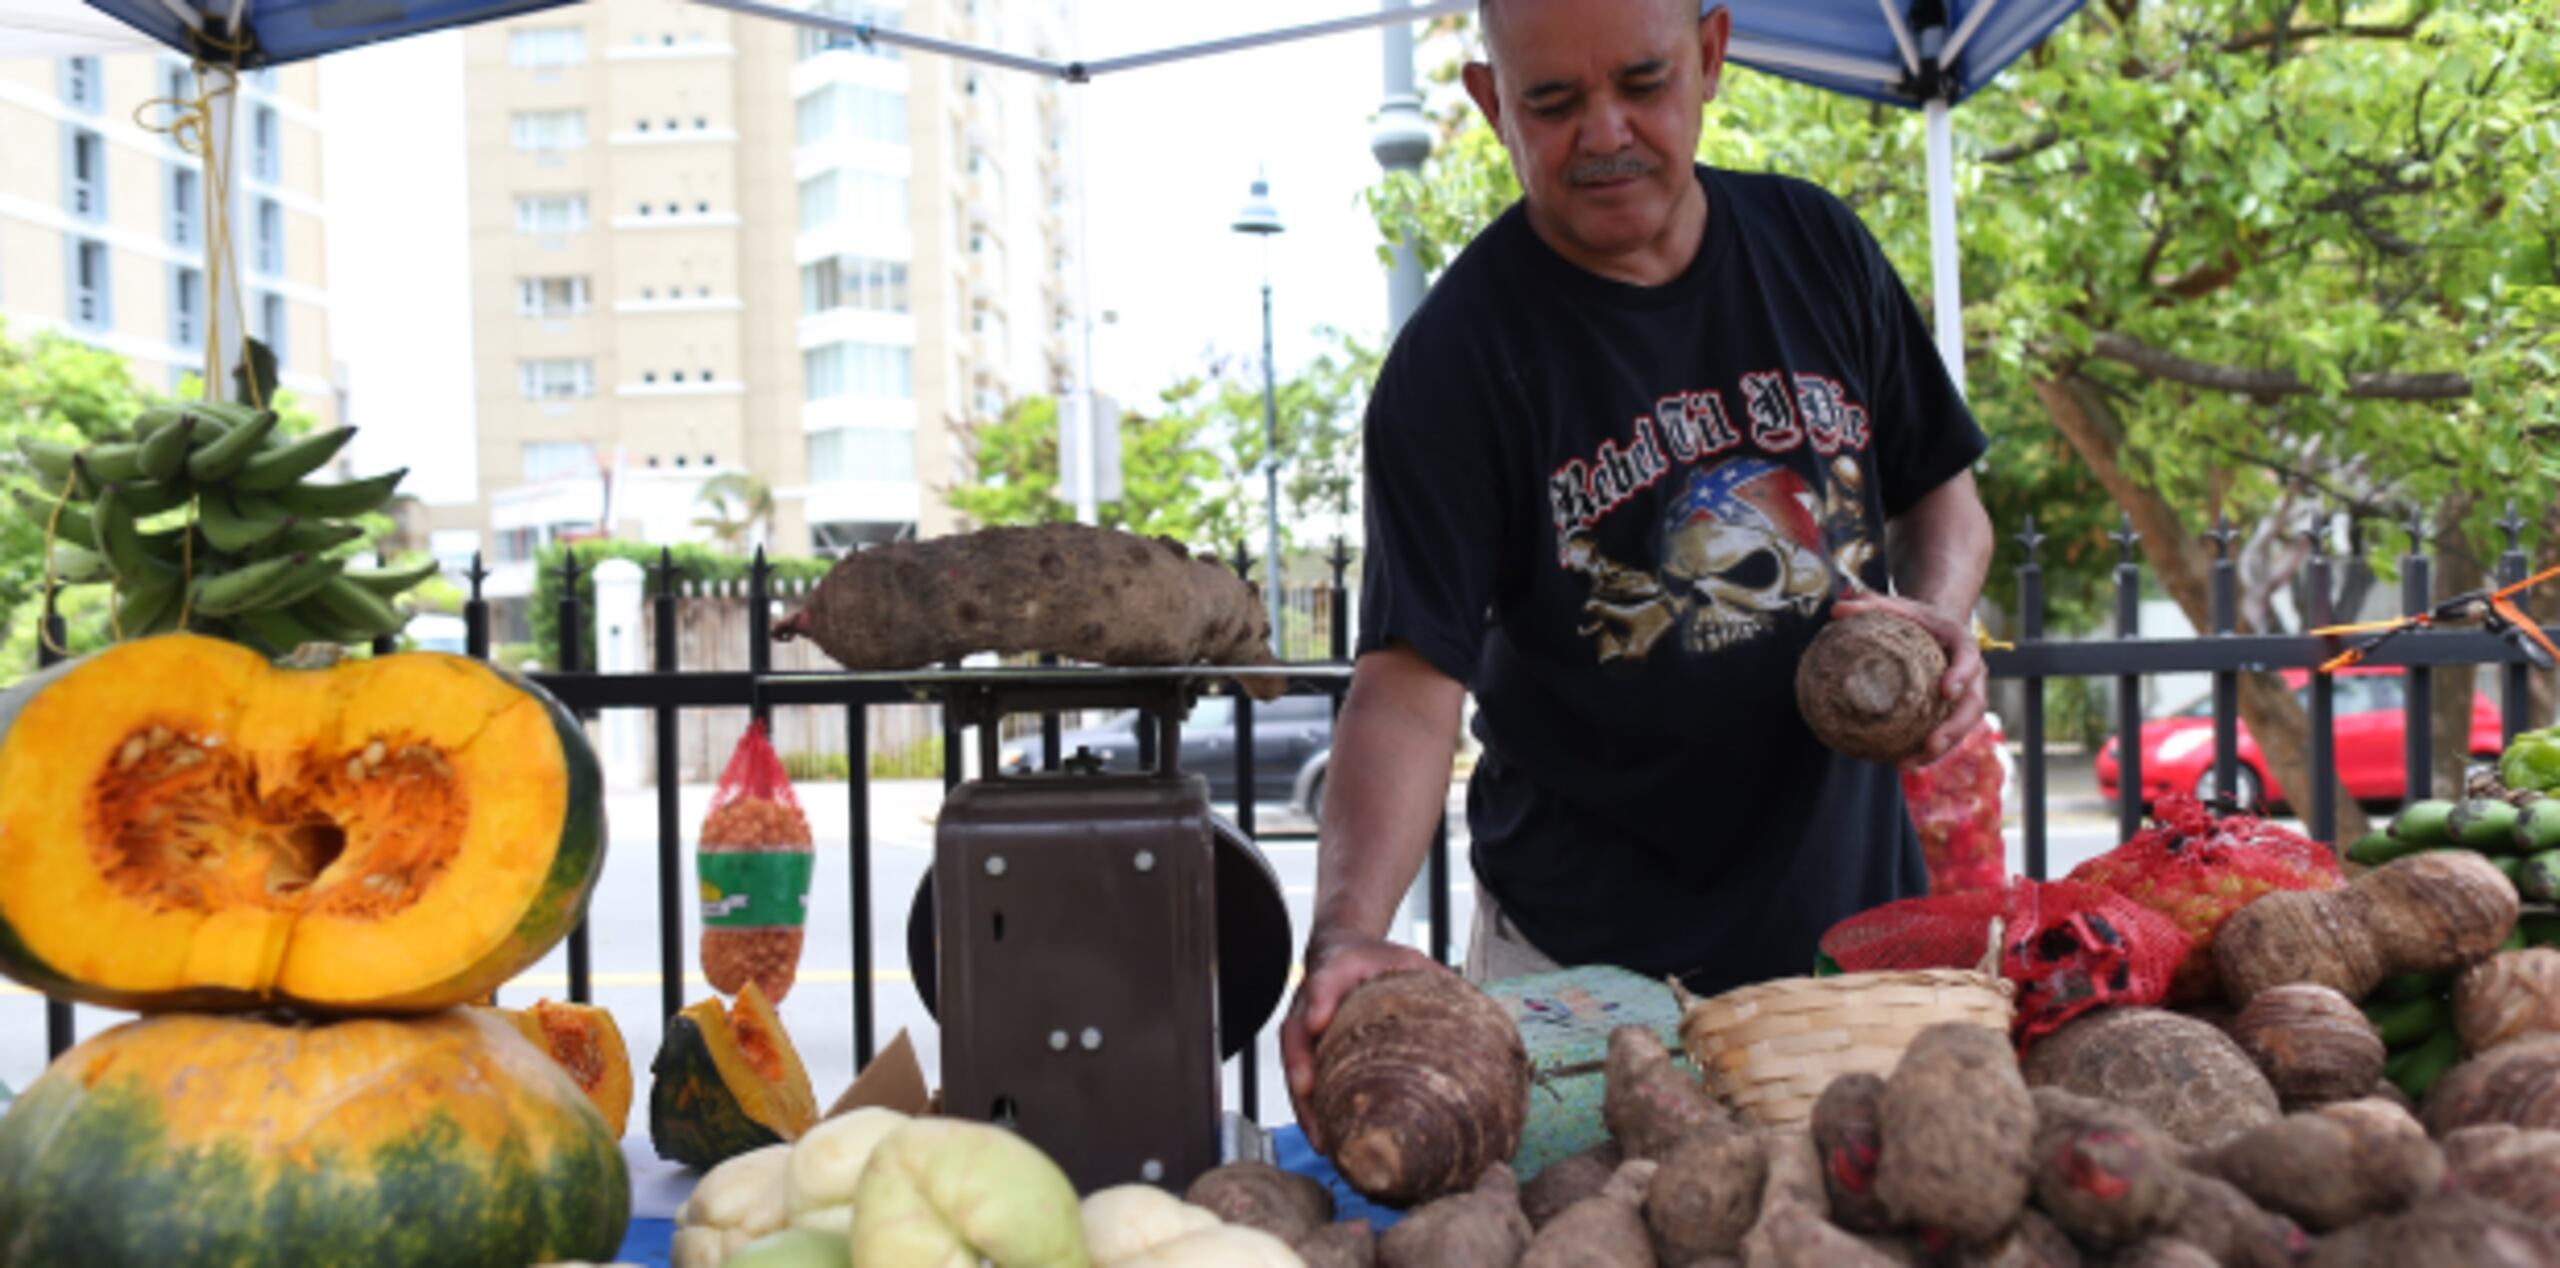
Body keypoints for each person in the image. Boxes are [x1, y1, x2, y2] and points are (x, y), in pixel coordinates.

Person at [1280, 0, 1996, 1143]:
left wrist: (1933, 617)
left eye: (1641, 82)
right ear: (1488, 105)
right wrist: (1347, 931)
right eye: (1552, 103)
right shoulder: (1455, 361)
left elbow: (1941, 494)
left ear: (1709, 56)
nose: (1603, 132)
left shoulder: (1817, 245)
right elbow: (1410, 683)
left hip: (1852, 937)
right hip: (1582, 972)